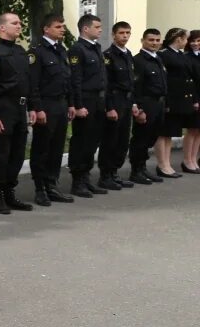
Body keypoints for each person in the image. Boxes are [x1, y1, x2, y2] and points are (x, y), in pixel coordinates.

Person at [0, 13, 34, 214]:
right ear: (2, 28)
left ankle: (10, 192)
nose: (19, 25)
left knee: (17, 154)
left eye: (20, 22)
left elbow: (28, 83)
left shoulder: (21, 51)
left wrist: (32, 108)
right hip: (3, 110)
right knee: (0, 155)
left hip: (20, 110)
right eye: (15, 23)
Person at [27, 14, 75, 206]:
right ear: (46, 29)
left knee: (57, 147)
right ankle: (40, 188)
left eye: (63, 26)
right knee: (42, 148)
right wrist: (37, 108)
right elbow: (33, 83)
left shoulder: (61, 50)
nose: (62, 29)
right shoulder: (37, 52)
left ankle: (52, 184)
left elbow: (67, 79)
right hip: (45, 105)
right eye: (58, 26)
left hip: (61, 104)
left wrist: (71, 103)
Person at [67, 14, 109, 197]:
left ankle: (86, 177)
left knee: (93, 141)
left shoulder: (96, 48)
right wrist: (78, 105)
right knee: (82, 141)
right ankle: (77, 181)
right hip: (86, 100)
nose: (100, 30)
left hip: (98, 101)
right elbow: (75, 80)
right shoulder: (78, 49)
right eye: (97, 27)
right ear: (86, 29)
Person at [97, 22, 139, 190]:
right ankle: (105, 175)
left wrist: (134, 103)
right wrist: (109, 107)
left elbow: (131, 82)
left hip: (127, 101)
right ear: (114, 34)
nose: (125, 36)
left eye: (128, 32)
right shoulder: (108, 56)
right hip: (115, 101)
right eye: (121, 33)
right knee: (111, 140)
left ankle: (114, 172)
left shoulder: (128, 54)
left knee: (122, 140)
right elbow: (106, 84)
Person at [154, 27, 198, 178]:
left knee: (171, 133)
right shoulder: (164, 55)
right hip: (170, 99)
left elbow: (188, 78)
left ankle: (167, 163)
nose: (187, 42)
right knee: (164, 132)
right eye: (185, 39)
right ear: (178, 39)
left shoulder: (180, 55)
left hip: (180, 100)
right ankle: (162, 164)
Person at [128, 29, 168, 184]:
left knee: (151, 137)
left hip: (158, 103)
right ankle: (136, 170)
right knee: (140, 138)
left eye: (157, 40)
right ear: (143, 40)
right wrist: (139, 109)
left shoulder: (158, 58)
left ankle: (143, 168)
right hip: (146, 103)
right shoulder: (138, 61)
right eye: (151, 40)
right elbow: (136, 86)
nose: (155, 43)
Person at [183, 30, 200, 173]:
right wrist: (195, 100)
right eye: (192, 41)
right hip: (194, 99)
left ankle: (194, 159)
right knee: (192, 130)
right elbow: (189, 82)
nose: (195, 43)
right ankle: (187, 160)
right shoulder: (186, 57)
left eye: (198, 41)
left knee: (199, 131)